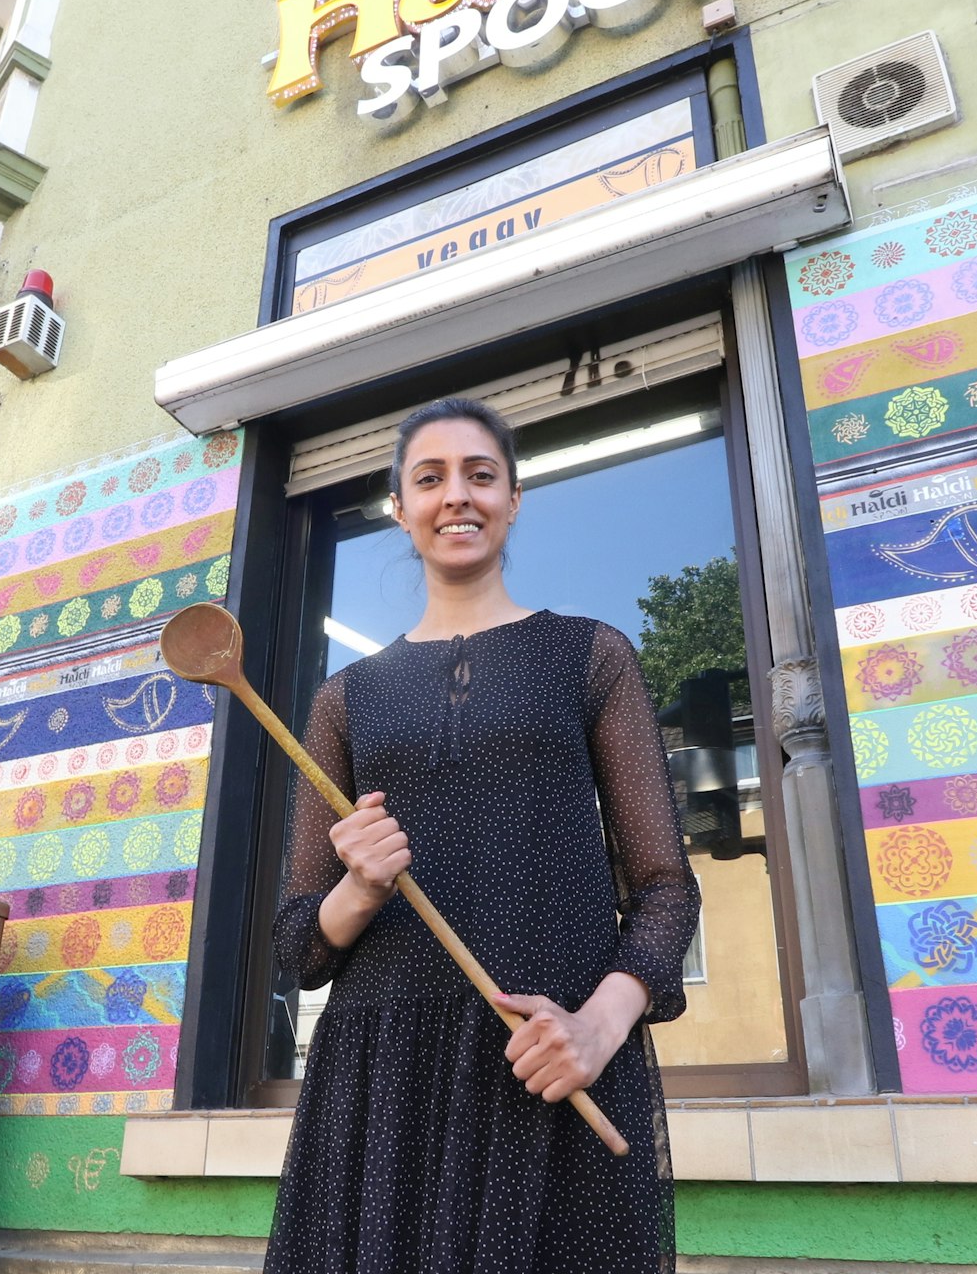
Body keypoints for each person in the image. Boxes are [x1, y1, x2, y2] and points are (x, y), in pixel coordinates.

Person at [264, 397, 702, 1274]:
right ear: (400, 508)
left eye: (480, 475)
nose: (455, 496)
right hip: (383, 1086)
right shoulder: (343, 701)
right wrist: (358, 891)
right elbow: (296, 947)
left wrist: (599, 1025)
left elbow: (664, 886)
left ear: (514, 498)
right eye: (429, 479)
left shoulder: (592, 655)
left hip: (547, 1061)